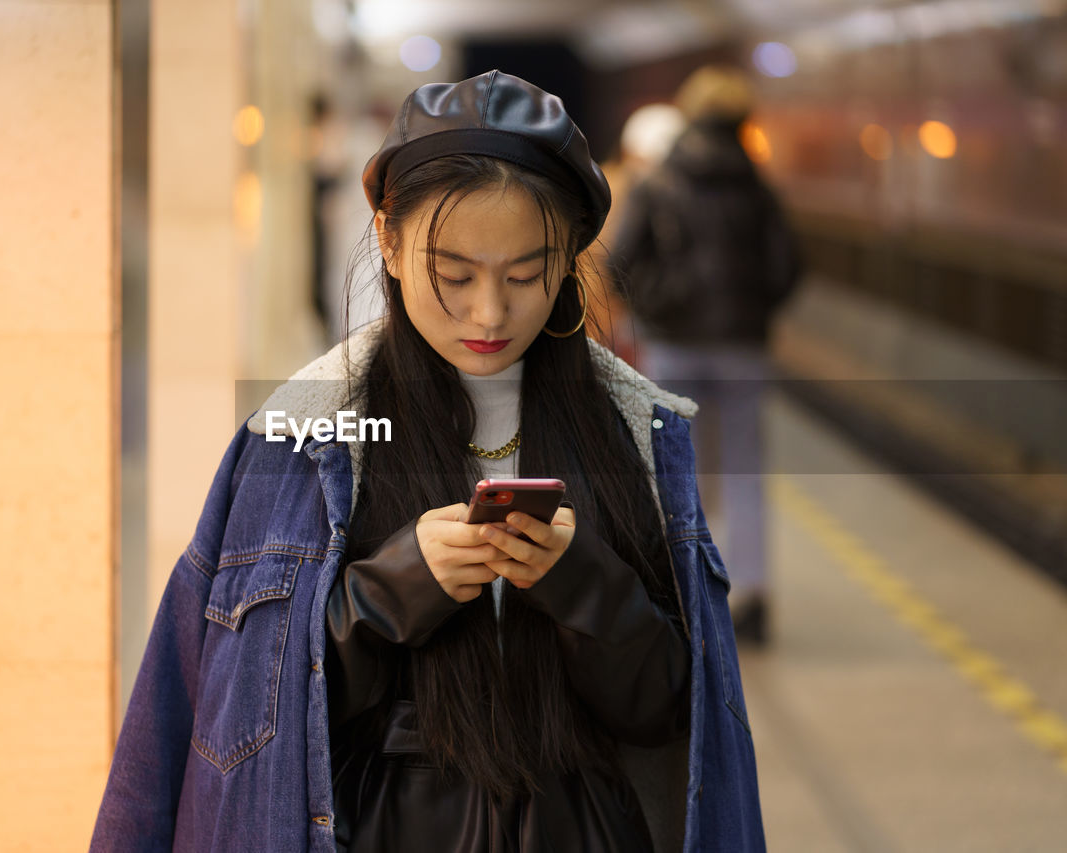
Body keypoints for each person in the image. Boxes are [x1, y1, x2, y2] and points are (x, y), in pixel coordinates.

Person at [90, 70, 765, 852]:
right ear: (389, 240)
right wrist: (394, 589)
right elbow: (237, 717)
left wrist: (580, 582)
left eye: (526, 274)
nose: (489, 312)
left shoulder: (632, 433)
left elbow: (671, 714)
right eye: (455, 276)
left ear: (571, 256)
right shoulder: (302, 440)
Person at [610, 66, 802, 646]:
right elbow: (789, 264)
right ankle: (753, 595)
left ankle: (686, 592)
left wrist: (654, 311)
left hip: (675, 344)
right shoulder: (760, 187)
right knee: (743, 470)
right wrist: (756, 310)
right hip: (742, 347)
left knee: (677, 467)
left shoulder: (661, 180)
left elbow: (621, 259)